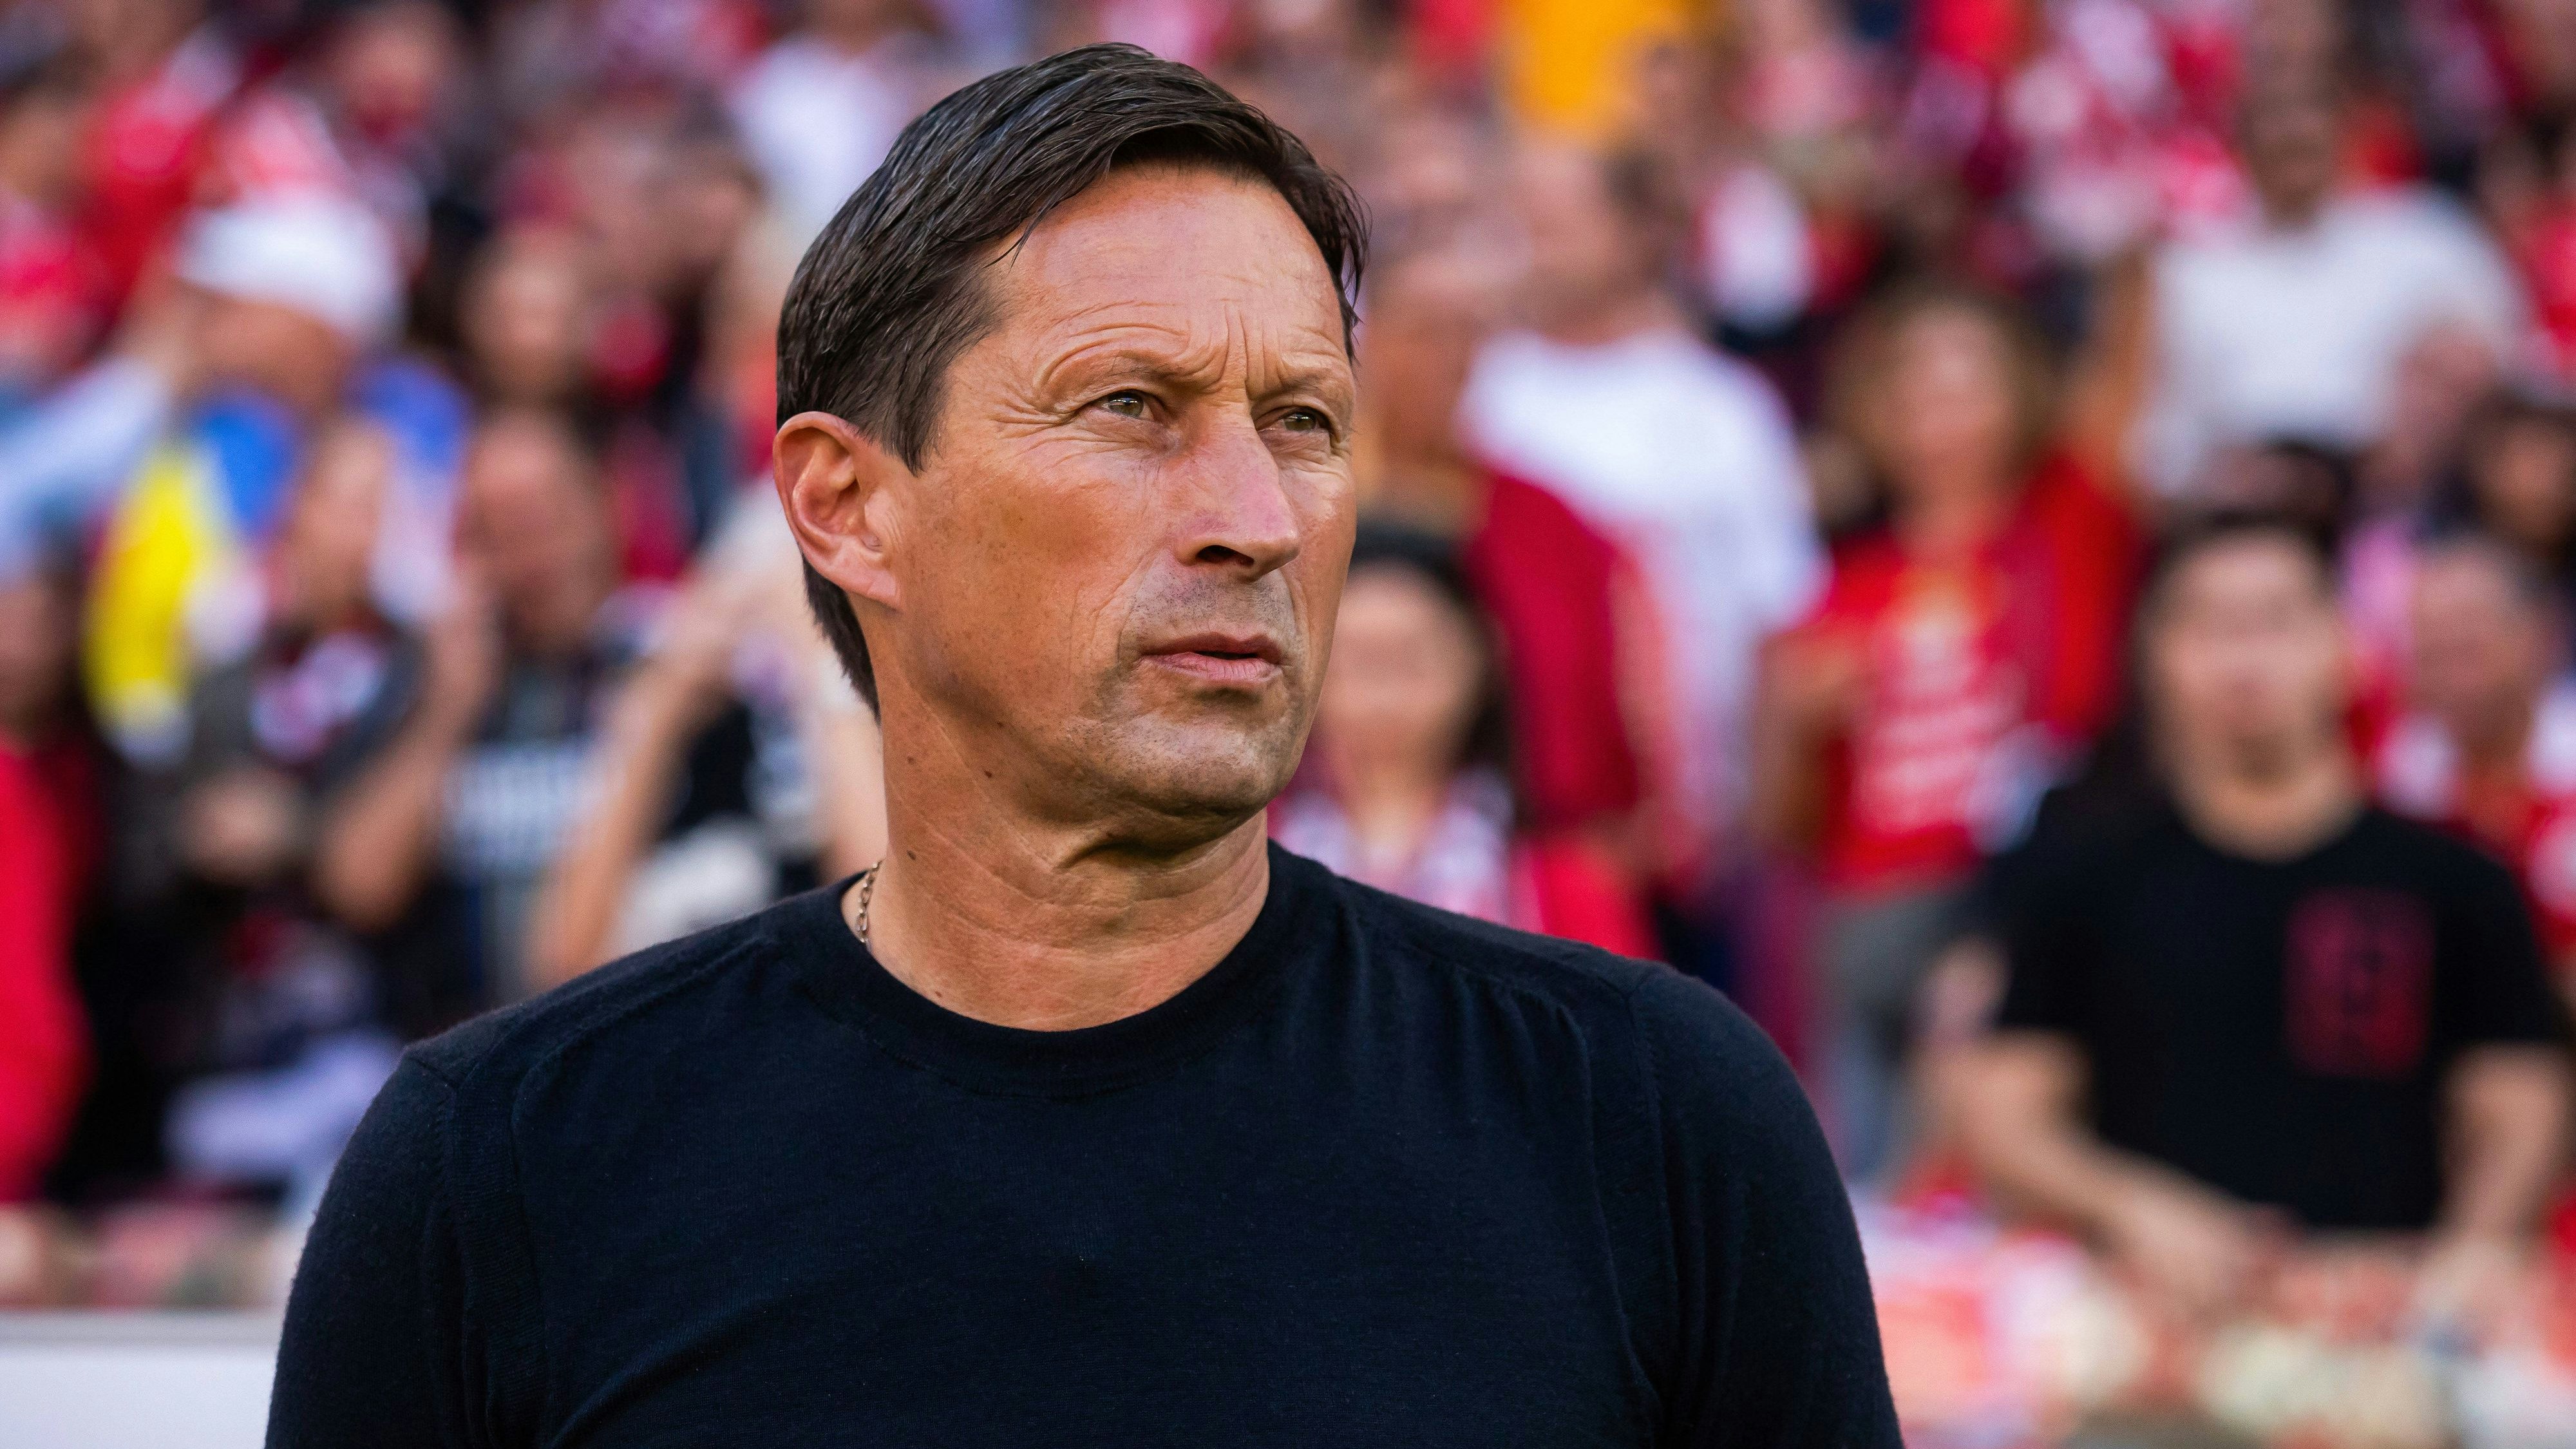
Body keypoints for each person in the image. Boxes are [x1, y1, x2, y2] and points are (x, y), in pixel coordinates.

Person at [270, 46, 1897, 1447]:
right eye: (1131, 407)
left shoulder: (1651, 1127)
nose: (1259, 518)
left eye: (1304, 423)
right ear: (849, 505)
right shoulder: (504, 1174)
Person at [1959, 514, 2573, 1323]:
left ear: (2344, 646)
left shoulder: (2457, 878)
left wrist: (2470, 1252)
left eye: (2276, 621)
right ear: (2153, 656)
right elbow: (2004, 1111)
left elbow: (2521, 1102)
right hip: (2152, 1325)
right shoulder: (2082, 874)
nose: (2243, 659)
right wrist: (2130, 1206)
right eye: (2208, 625)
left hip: (2383, 1324)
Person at [1754, 283, 2138, 1181]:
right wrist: (1791, 722)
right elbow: (1784, 826)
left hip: (2026, 901)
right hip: (1873, 916)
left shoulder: (2068, 524)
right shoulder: (1841, 586)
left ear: (2023, 394)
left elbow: (2125, 388)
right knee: (1873, 1188)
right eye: (1915, 386)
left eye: (1970, 380)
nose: (1942, 409)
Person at [1460, 139, 1823, 864]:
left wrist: (1763, 820)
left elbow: (1780, 619)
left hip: (1699, 825)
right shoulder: (1477, 392)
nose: (1535, 244)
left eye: (1560, 219)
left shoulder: (1724, 406)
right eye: (1521, 219)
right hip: (1518, 818)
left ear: (1638, 230)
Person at [1272, 524, 1658, 956]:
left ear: (1480, 659)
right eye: (1357, 661)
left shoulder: (1559, 882)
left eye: (1408, 660)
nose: (1384, 695)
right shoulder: (1251, 856)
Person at [2134, 75, 2524, 497]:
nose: (2292, 135)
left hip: (2404, 498)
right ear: (2239, 143)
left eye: (2309, 119)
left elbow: (2510, 367)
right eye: (2273, 122)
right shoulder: (2189, 272)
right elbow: (2162, 446)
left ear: (2345, 131)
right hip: (2248, 505)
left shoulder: (2426, 237)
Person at [2376, 531, 2576, 1006]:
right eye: (2431, 649)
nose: (2453, 676)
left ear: (2544, 634)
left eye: (2469, 645)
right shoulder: (2393, 781)